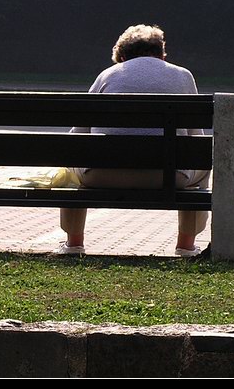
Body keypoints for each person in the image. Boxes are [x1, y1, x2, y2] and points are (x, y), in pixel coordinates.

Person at [57, 24, 210, 257]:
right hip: (168, 177)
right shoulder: (182, 75)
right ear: (161, 54)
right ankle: (186, 246)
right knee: (200, 159)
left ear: (123, 56)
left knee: (72, 170)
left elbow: (78, 135)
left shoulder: (107, 75)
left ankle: (74, 243)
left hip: (101, 176)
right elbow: (195, 138)